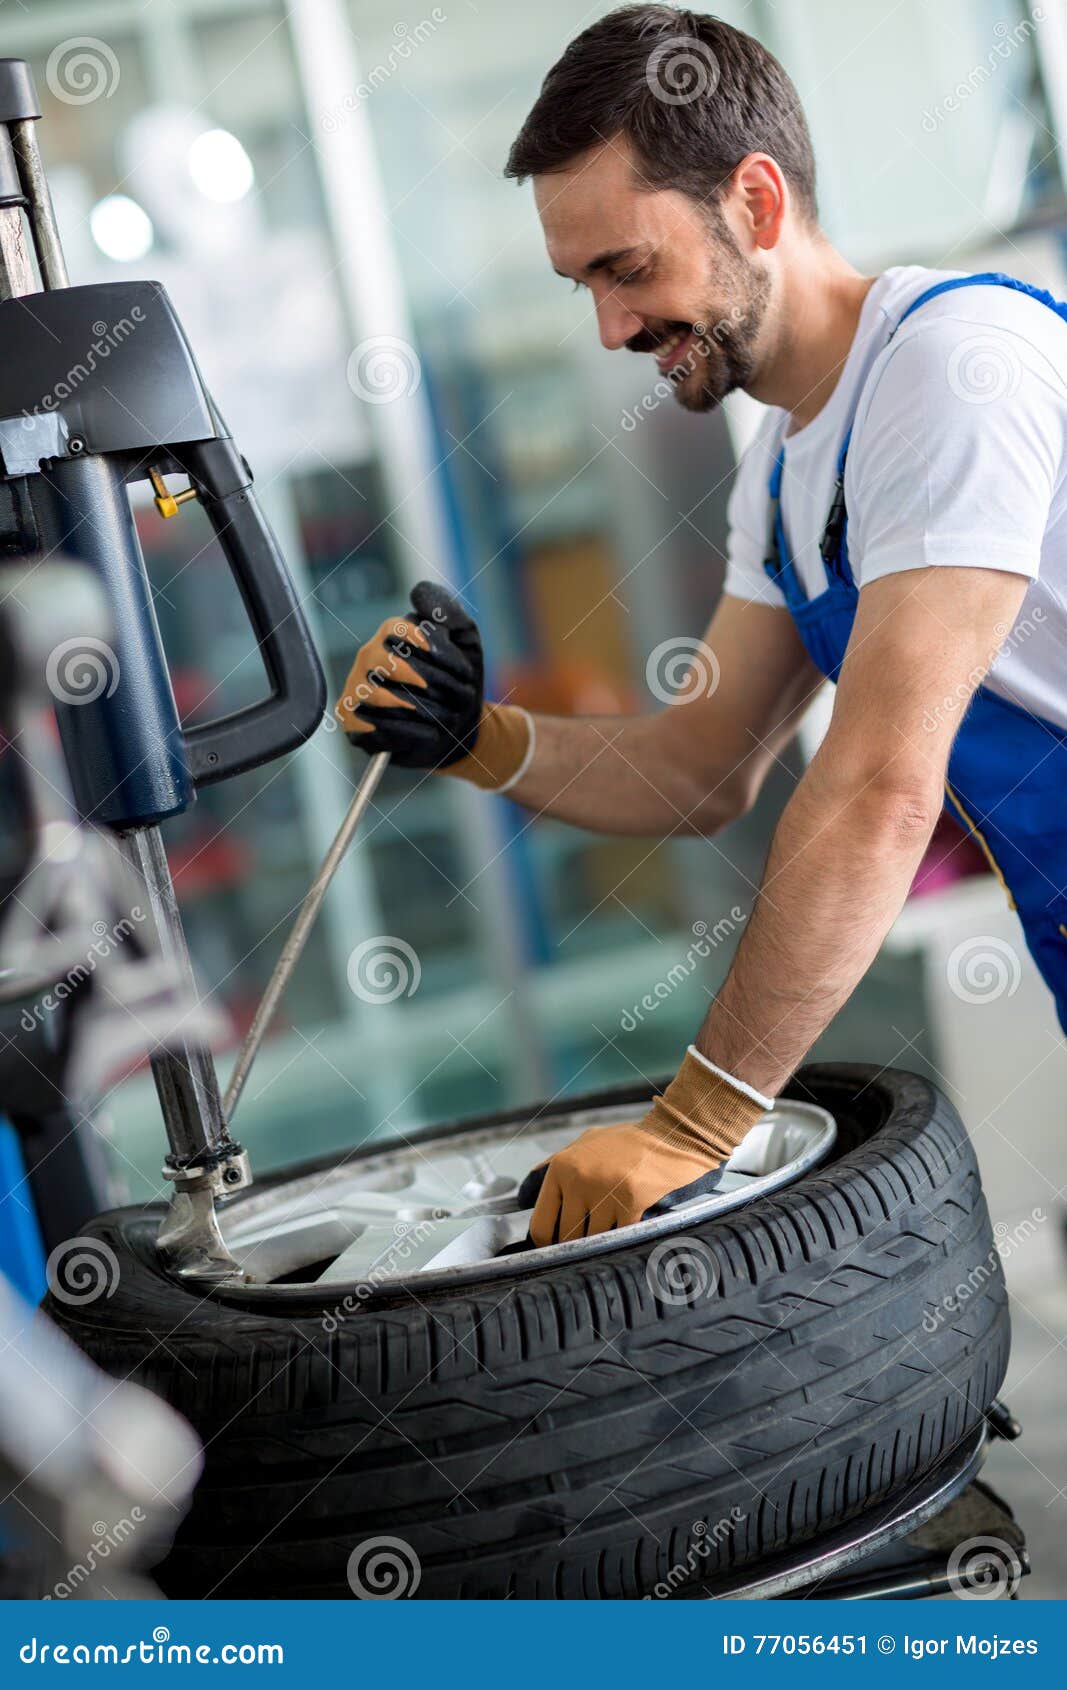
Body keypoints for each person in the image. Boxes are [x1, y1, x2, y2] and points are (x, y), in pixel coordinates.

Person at [337, 5, 1067, 1247]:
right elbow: (701, 767)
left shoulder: (952, 366)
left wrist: (691, 1125)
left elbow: (880, 788)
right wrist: (472, 735)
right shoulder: (782, 472)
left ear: (757, 203)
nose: (610, 330)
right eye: (583, 285)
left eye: (627, 268)